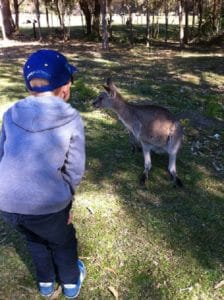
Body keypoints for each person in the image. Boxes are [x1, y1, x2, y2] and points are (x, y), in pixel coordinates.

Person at [0, 49, 86, 298]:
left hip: (6, 203)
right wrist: (66, 199)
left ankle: (46, 284)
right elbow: (74, 167)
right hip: (47, 204)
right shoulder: (71, 118)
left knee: (35, 240)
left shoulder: (11, 112)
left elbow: (2, 153)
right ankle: (70, 283)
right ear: (65, 88)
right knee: (62, 240)